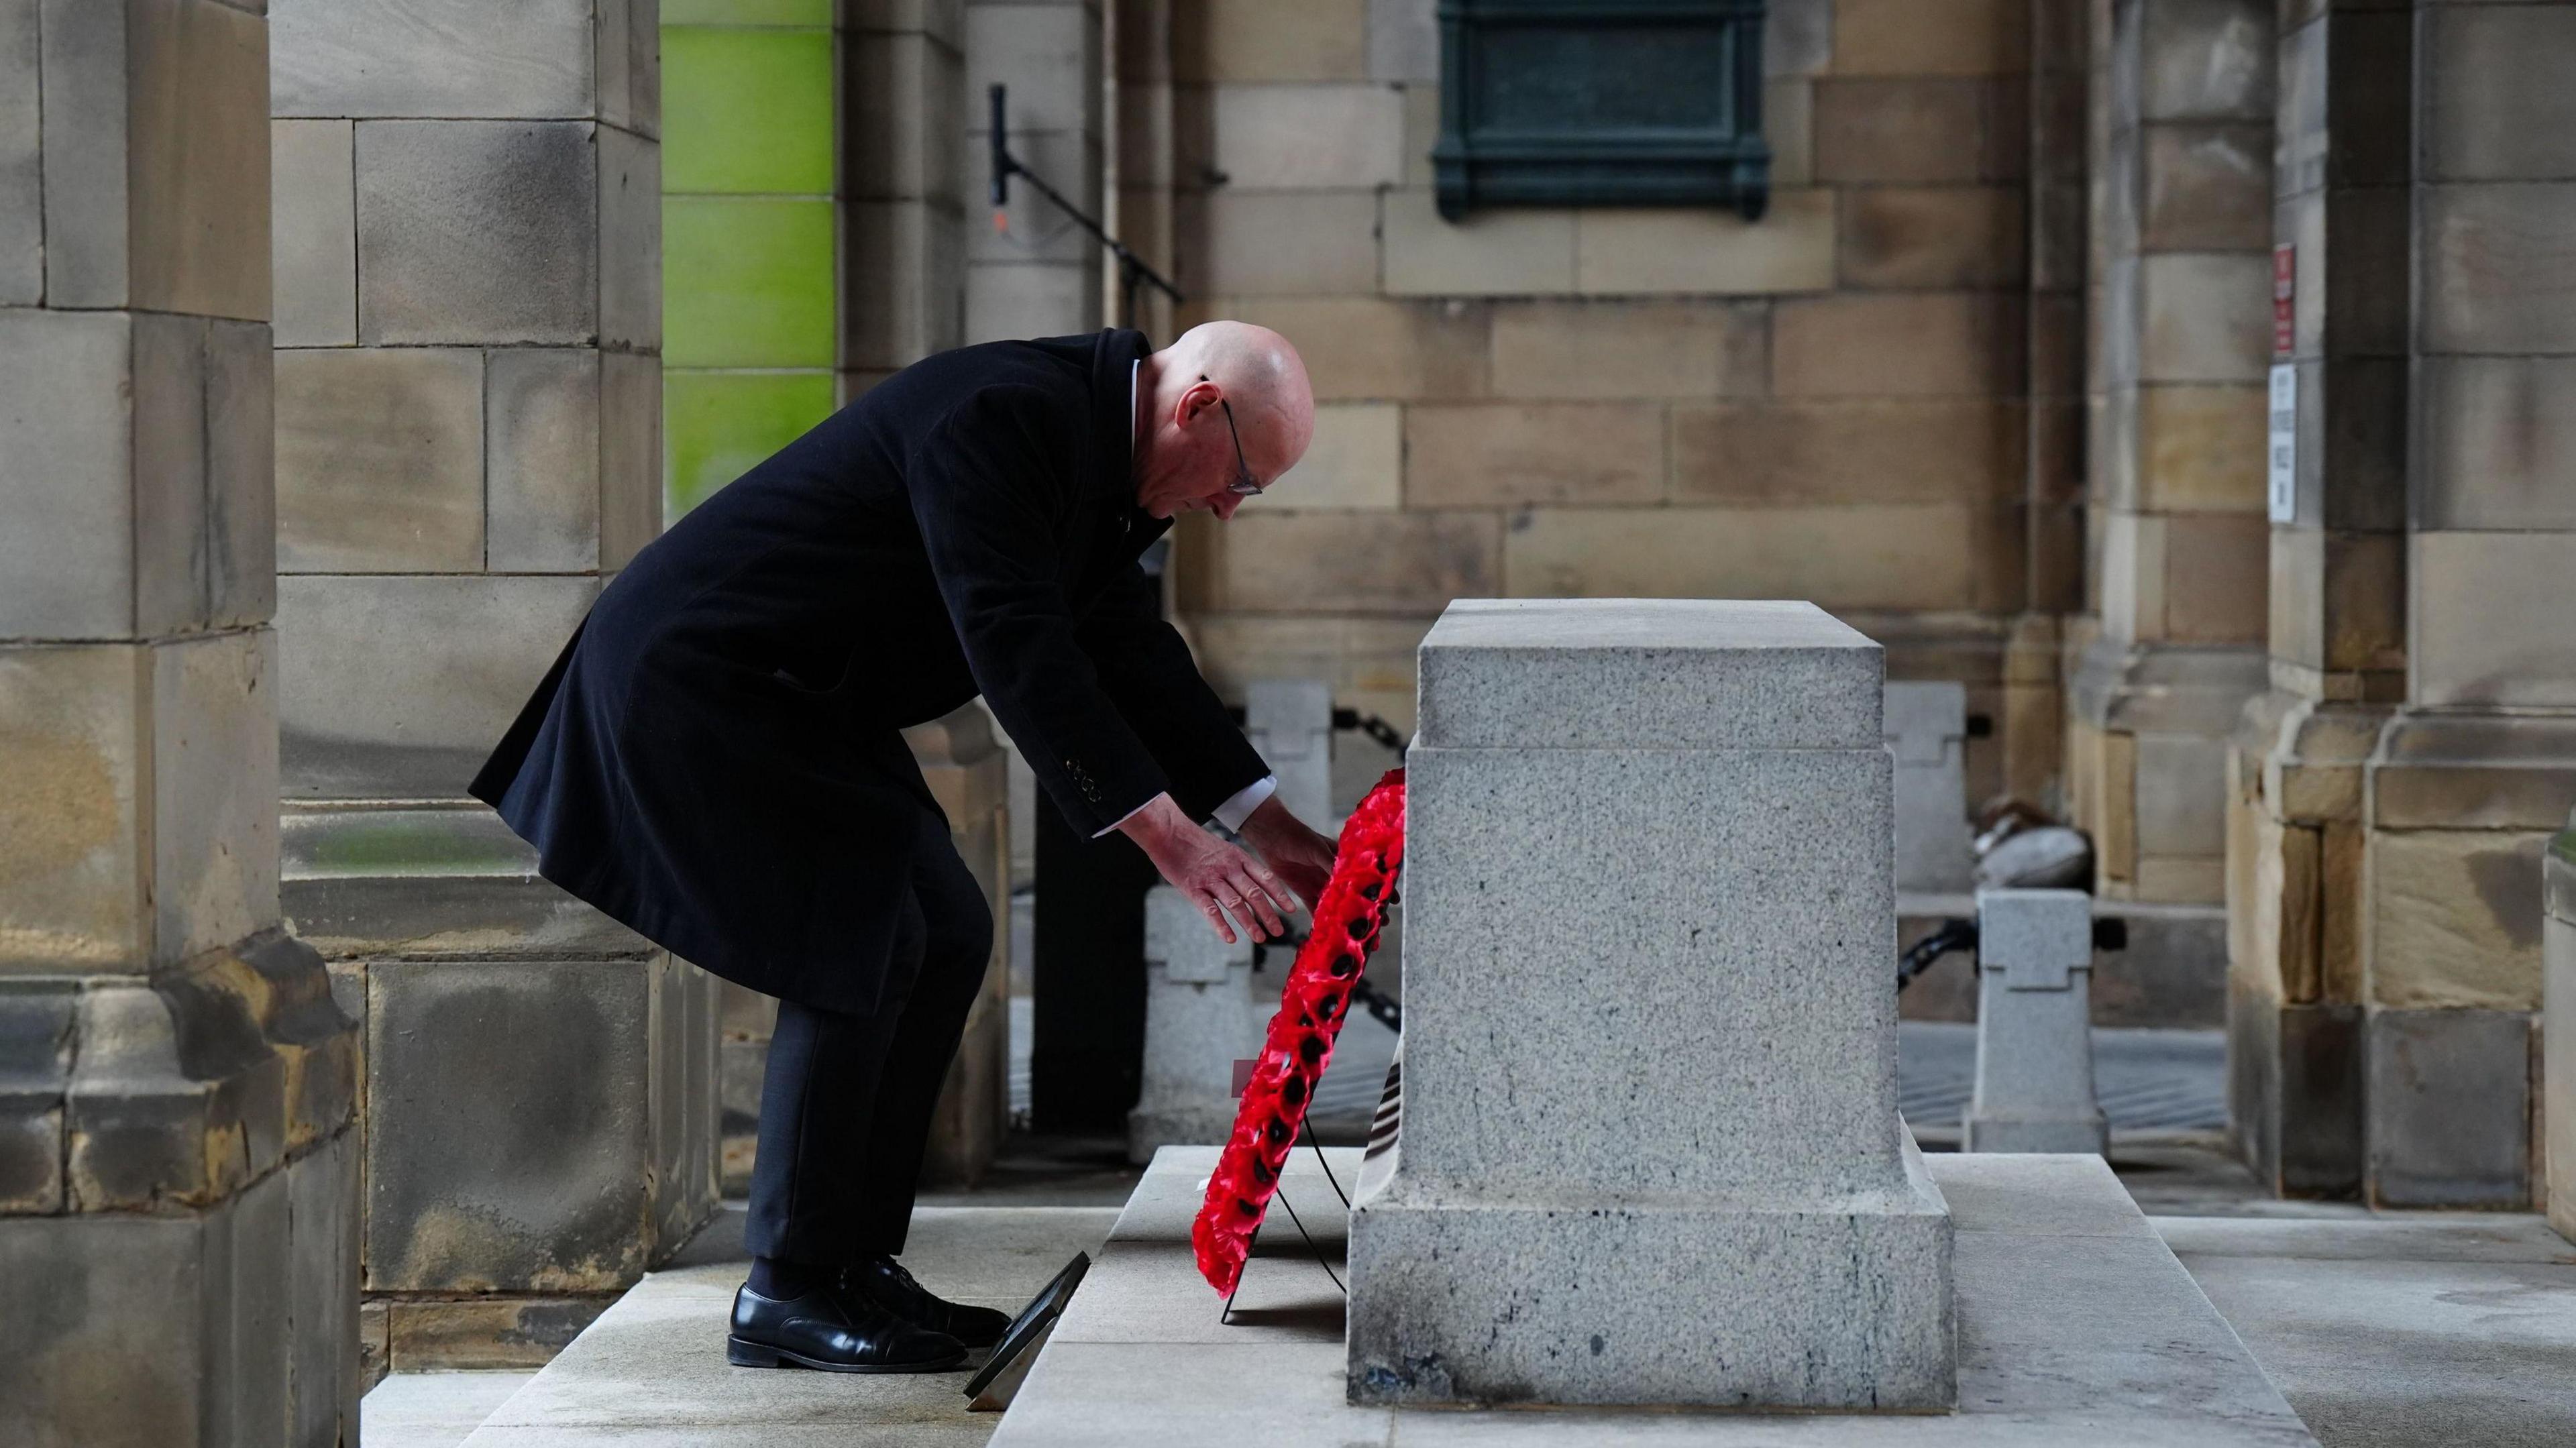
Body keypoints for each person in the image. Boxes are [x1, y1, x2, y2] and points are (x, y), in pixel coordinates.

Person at [468, 322, 1340, 1373]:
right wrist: (1172, 841)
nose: (1231, 508)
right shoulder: (1010, 413)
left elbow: (1128, 652)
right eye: (1243, 479)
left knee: (950, 929)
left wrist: (1269, 823)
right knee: (865, 937)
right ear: (1197, 409)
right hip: (701, 683)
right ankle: (786, 1290)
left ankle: (853, 1262)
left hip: (803, 701)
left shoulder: (1100, 454)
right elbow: (1015, 640)